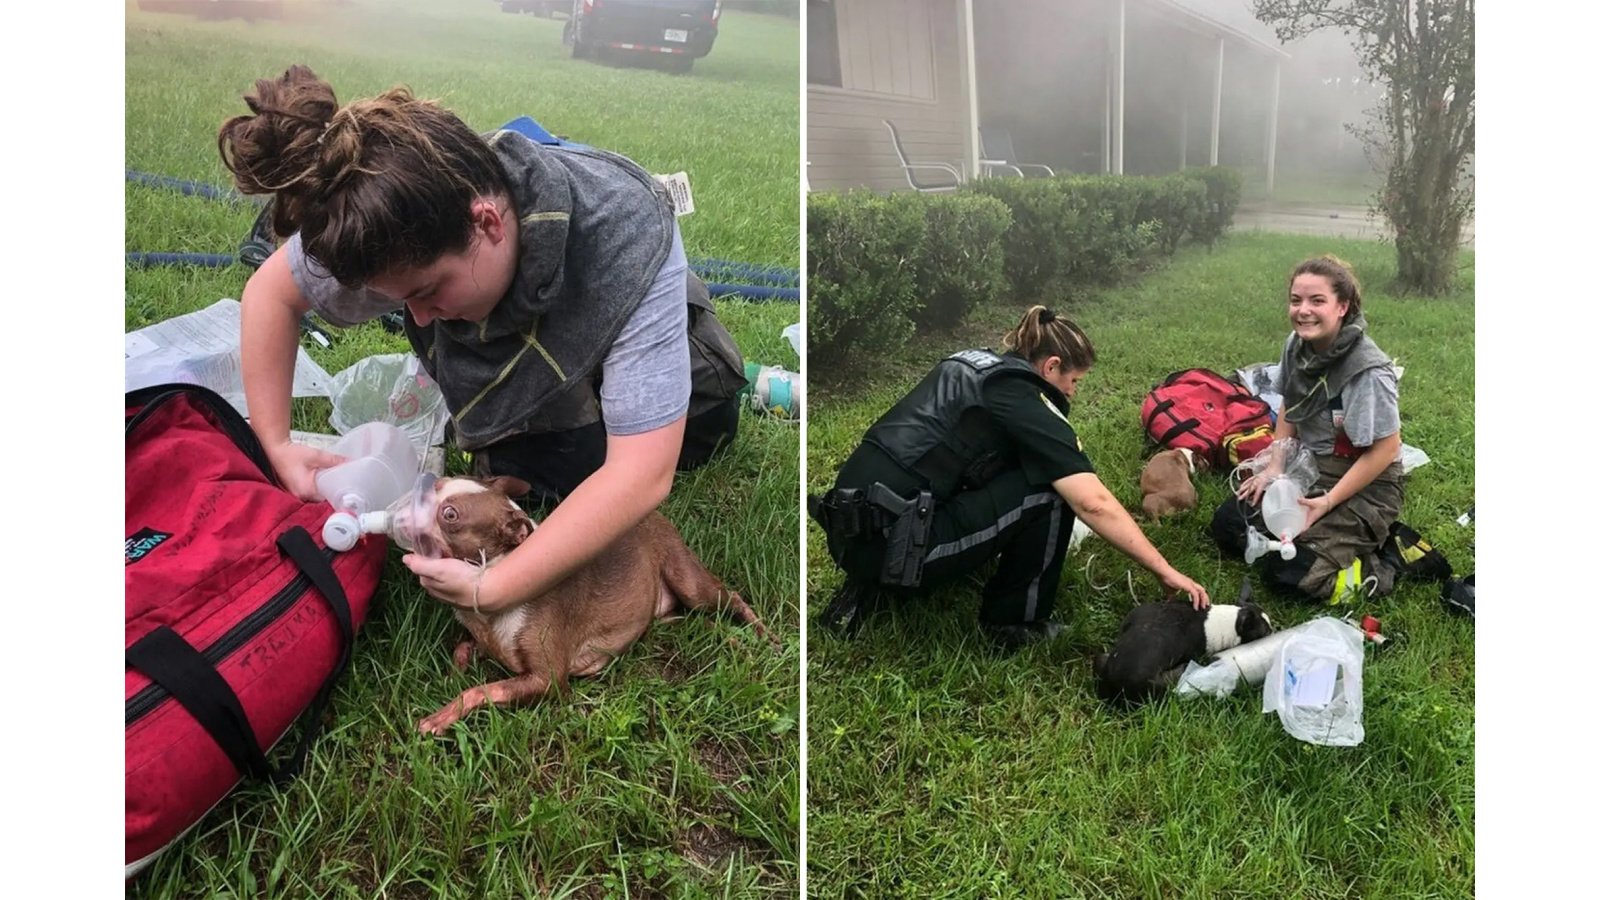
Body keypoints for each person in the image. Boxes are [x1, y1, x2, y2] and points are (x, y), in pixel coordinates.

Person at [218, 65, 745, 613]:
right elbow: (270, 296)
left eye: (428, 291)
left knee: (698, 430)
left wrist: (495, 586)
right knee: (543, 474)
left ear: (488, 223)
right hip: (522, 359)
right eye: (404, 300)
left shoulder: (627, 231)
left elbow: (641, 473)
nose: (418, 320)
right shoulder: (383, 217)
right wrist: (275, 444)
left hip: (636, 322)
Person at [810, 305, 1211, 651]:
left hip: (846, 529)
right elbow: (1093, 502)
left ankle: (875, 573)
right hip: (892, 551)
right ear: (1051, 365)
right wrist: (1163, 569)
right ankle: (1015, 622)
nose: (1072, 394)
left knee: (1009, 471)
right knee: (1051, 492)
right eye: (1074, 382)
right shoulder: (1020, 393)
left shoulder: (969, 363)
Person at [1212, 255, 1442, 603]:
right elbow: (1292, 399)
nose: (1303, 310)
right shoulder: (1297, 345)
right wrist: (1274, 469)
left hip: (1366, 485)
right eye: (1296, 300)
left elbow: (1386, 449)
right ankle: (1318, 538)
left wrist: (1329, 501)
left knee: (1291, 575)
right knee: (1228, 524)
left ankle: (1391, 561)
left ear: (1342, 307)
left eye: (1317, 300)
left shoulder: (1367, 372)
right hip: (1312, 468)